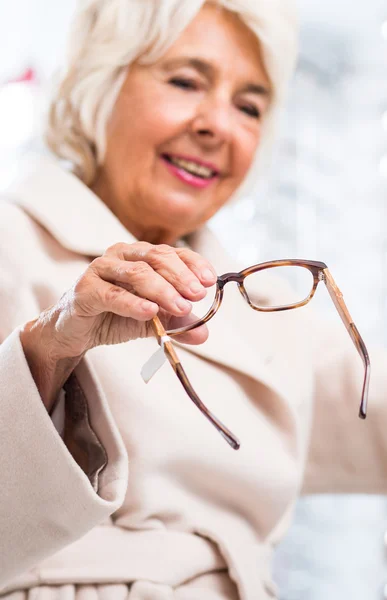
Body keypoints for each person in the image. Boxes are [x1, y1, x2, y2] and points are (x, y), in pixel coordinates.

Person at [0, 1, 385, 599]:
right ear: (96, 84)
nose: (218, 126)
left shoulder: (274, 304)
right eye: (186, 82)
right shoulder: (10, 245)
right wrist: (48, 350)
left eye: (249, 106)